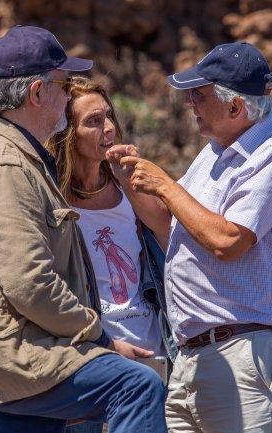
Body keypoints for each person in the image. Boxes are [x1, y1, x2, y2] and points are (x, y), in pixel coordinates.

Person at [0, 25, 167, 433]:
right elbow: (31, 284)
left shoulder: (15, 158)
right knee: (137, 386)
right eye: (64, 86)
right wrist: (101, 339)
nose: (68, 97)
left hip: (14, 362)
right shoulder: (9, 168)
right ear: (37, 93)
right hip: (22, 360)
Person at [107, 41, 272, 433]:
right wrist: (129, 181)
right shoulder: (215, 151)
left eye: (198, 96)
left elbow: (227, 241)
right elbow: (169, 229)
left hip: (245, 355)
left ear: (235, 107)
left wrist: (166, 185)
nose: (189, 104)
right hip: (194, 358)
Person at [45, 76, 177, 433]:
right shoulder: (49, 196)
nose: (109, 128)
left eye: (108, 116)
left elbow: (169, 238)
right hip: (89, 359)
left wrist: (130, 181)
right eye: (93, 121)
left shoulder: (126, 185)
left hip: (152, 355)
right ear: (66, 133)